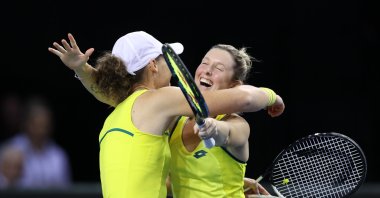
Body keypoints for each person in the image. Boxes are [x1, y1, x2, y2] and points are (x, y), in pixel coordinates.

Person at [48, 31, 284, 198]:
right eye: (165, 61)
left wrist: (83, 69)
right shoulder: (160, 101)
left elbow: (102, 92)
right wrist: (274, 98)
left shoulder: (122, 110)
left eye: (219, 68)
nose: (172, 68)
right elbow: (245, 98)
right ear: (152, 66)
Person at [166, 44, 280, 197]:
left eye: (219, 68)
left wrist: (214, 127)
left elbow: (226, 133)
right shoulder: (175, 121)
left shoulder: (238, 124)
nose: (207, 70)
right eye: (204, 63)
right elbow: (173, 183)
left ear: (234, 86)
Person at [5, 96, 72, 189]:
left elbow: (65, 189)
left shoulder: (58, 155)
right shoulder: (11, 149)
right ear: (26, 124)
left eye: (45, 125)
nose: (41, 130)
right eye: (37, 125)